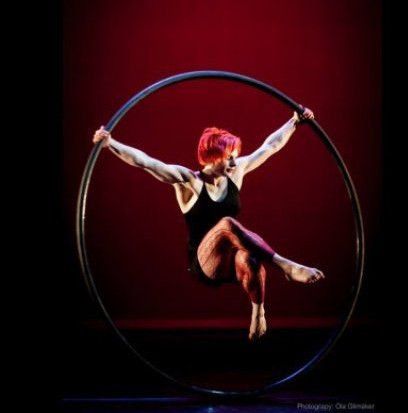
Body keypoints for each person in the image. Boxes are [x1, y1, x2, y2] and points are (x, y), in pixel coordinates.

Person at [93, 108, 324, 340]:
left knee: (250, 259)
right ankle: (286, 267)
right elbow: (146, 162)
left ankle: (258, 313)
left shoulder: (236, 173)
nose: (234, 162)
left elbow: (270, 146)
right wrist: (110, 143)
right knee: (226, 223)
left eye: (235, 156)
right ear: (213, 157)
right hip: (204, 264)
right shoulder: (189, 182)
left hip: (232, 262)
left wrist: (294, 121)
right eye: (229, 157)